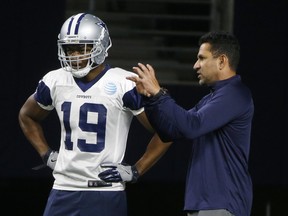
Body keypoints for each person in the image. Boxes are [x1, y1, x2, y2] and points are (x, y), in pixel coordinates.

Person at [18, 13, 171, 216]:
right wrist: (45, 153)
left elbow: (166, 130)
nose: (74, 55)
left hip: (105, 191)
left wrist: (137, 169)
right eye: (69, 49)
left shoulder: (123, 83)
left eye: (82, 48)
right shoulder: (55, 80)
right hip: (64, 187)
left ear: (100, 45)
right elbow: (27, 116)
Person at [124, 31, 254, 216]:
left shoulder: (235, 94)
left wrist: (159, 94)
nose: (196, 65)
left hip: (222, 204)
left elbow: (191, 127)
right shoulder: (212, 98)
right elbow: (172, 131)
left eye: (201, 58)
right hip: (208, 204)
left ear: (222, 61)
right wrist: (149, 100)